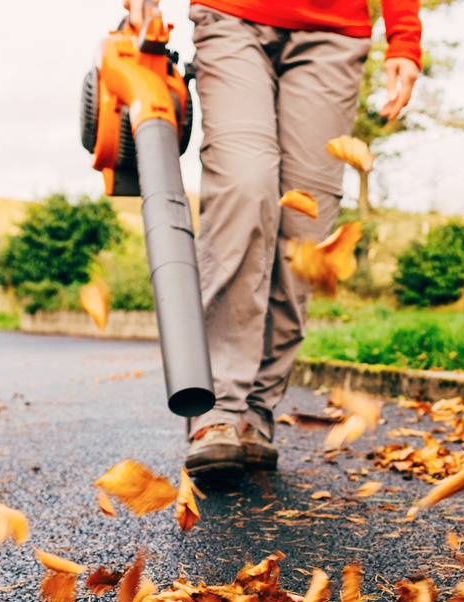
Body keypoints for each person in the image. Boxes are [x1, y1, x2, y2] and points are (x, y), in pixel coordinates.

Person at [127, 0, 421, 481]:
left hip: (335, 30)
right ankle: (217, 406)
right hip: (232, 14)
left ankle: (257, 409)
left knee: (305, 223)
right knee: (245, 185)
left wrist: (403, 35)